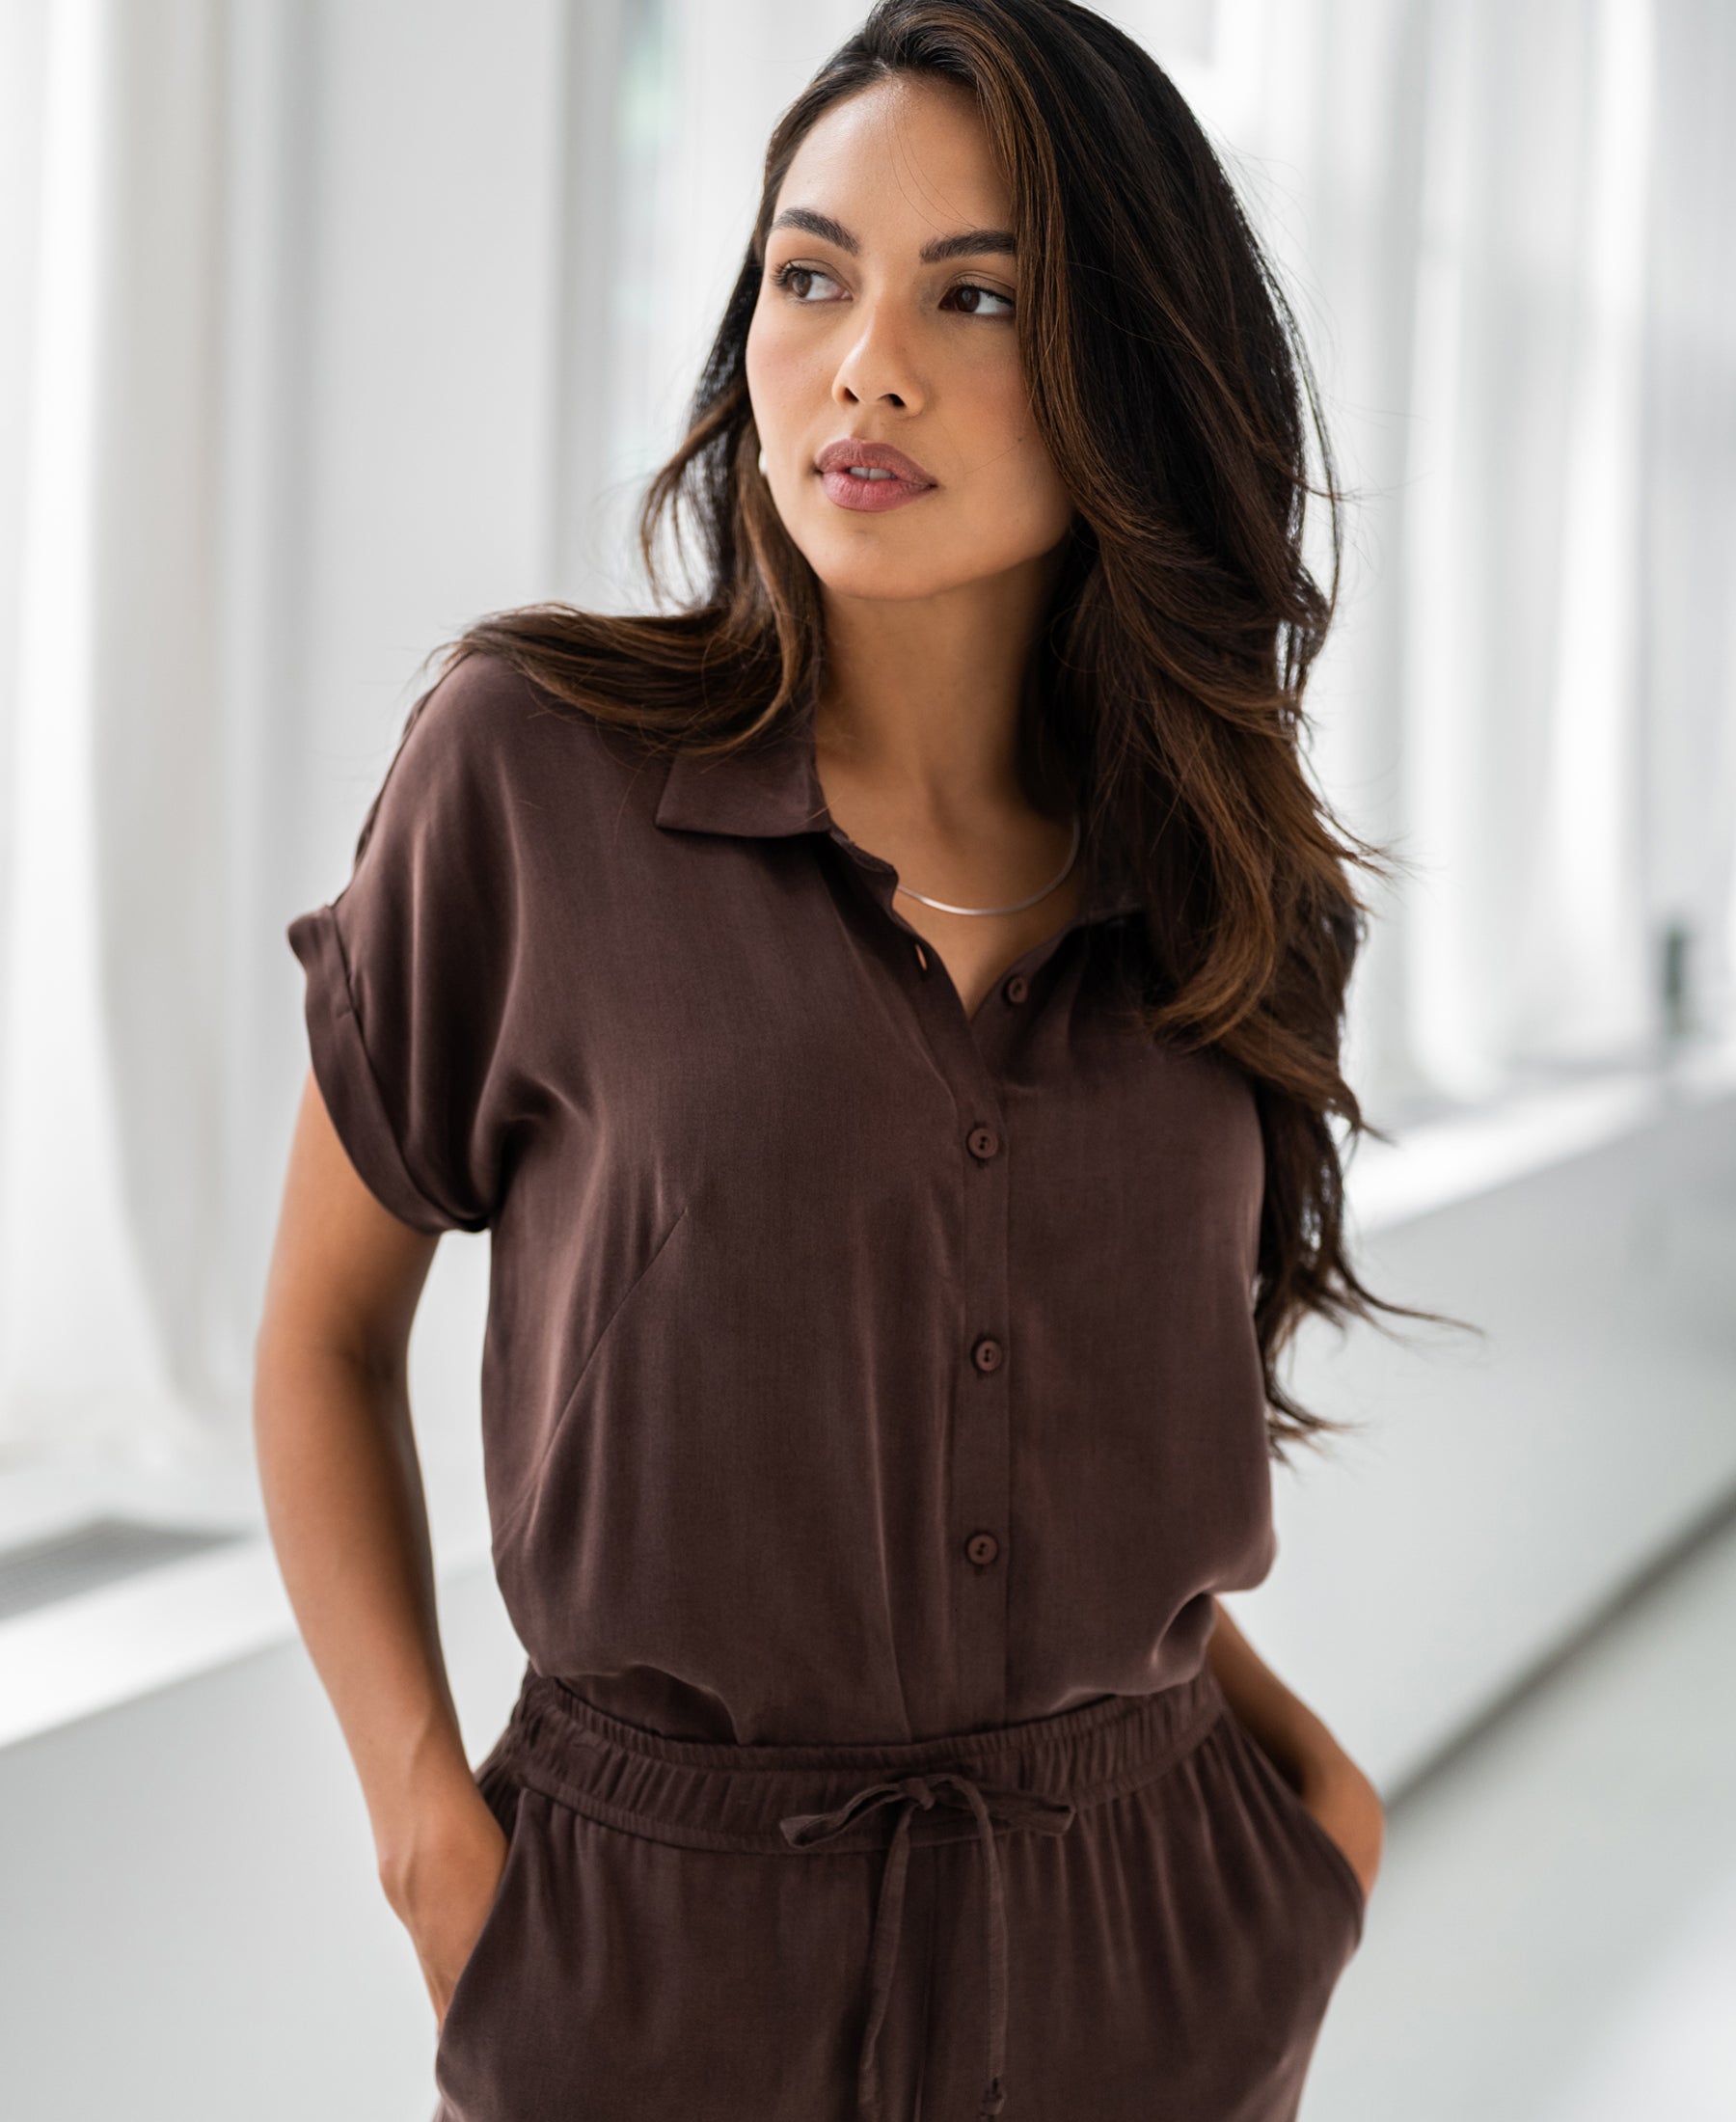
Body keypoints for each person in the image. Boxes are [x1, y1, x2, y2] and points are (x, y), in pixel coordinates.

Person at [258, 3, 1419, 2116]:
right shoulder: (532, 774)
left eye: (973, 295)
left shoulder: (1223, 887)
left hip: (1150, 1957)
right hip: (657, 1976)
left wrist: (1310, 1803)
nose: (862, 362)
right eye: (811, 275)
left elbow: (1102, 1438)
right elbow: (324, 1336)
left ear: (1128, 377)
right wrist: (436, 1842)